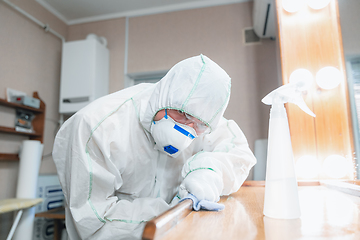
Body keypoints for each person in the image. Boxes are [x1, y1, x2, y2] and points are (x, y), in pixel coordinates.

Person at [52, 54, 256, 239]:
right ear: (165, 95)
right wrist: (170, 210)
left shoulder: (203, 120)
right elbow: (93, 220)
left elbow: (237, 150)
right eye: (183, 115)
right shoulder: (96, 127)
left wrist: (210, 171)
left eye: (199, 124)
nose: (188, 129)